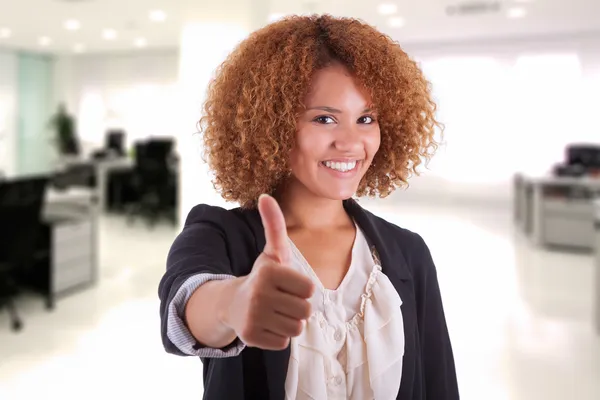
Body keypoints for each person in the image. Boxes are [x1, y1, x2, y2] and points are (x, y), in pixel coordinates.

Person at [158, 14, 459, 400]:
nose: (351, 143)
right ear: (272, 126)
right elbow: (186, 306)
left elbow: (439, 385)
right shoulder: (219, 235)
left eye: (366, 118)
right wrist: (233, 304)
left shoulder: (409, 254)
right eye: (324, 119)